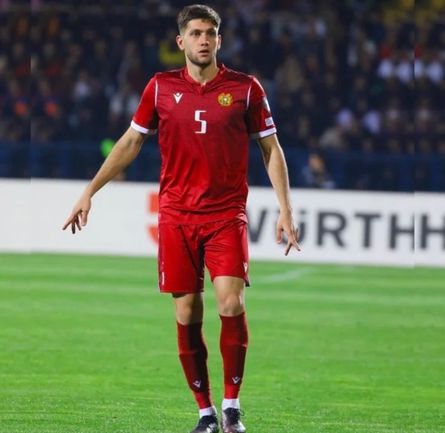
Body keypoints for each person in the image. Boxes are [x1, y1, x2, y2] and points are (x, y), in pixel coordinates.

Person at [63, 5, 300, 433]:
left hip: (226, 214)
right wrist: (89, 191)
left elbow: (271, 149)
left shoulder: (245, 89)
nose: (203, 40)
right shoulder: (160, 87)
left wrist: (285, 208)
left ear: (219, 40)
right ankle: (205, 412)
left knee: (231, 302)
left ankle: (231, 407)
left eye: (210, 33)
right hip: (176, 216)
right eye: (195, 33)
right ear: (181, 41)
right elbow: (131, 142)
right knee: (187, 312)